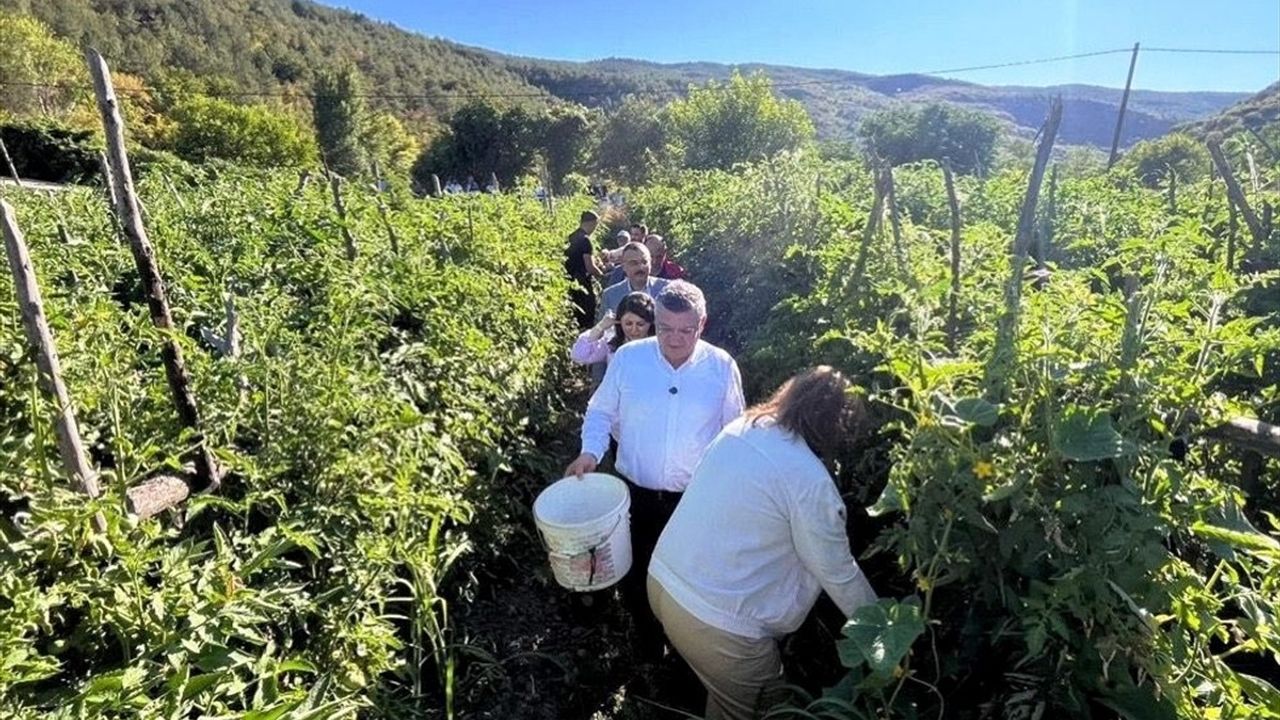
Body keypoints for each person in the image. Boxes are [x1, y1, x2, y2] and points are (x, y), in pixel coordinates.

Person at [647, 366, 879, 720]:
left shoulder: (743, 428)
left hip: (665, 581)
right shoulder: (809, 480)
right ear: (836, 427)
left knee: (728, 697)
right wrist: (887, 635)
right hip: (717, 625)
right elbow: (838, 573)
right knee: (771, 710)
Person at [566, 280, 745, 659]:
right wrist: (590, 453)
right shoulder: (630, 359)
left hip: (694, 500)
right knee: (638, 572)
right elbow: (600, 411)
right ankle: (648, 642)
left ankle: (685, 648)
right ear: (655, 321)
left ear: (702, 324)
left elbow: (735, 434)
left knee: (689, 576)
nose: (675, 339)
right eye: (665, 328)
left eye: (686, 330)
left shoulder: (720, 367)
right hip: (636, 494)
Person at [570, 291, 655, 366]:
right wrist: (600, 326)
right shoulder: (611, 343)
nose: (634, 329)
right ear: (619, 321)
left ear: (650, 323)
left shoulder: (659, 345)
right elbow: (578, 355)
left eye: (640, 324)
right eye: (628, 324)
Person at [563, 211, 603, 330]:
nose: (595, 229)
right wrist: (602, 274)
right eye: (596, 225)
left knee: (576, 315)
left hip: (570, 281)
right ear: (591, 223)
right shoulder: (586, 240)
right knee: (588, 315)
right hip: (583, 283)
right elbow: (589, 267)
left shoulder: (570, 237)